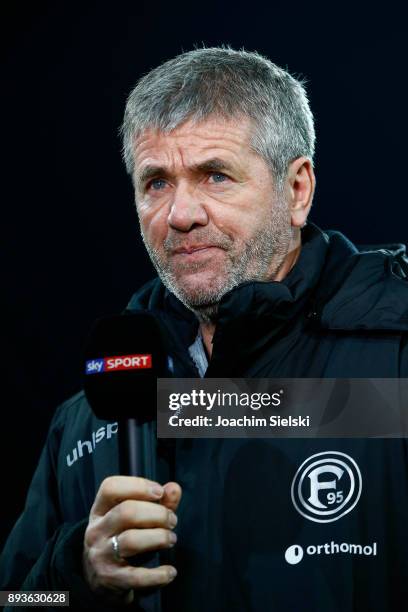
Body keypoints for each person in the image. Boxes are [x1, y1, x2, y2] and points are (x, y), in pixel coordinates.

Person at [1, 46, 408, 611]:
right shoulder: (89, 413)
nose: (180, 214)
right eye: (157, 183)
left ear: (297, 191)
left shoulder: (395, 354)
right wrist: (73, 574)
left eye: (215, 175)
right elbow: (18, 602)